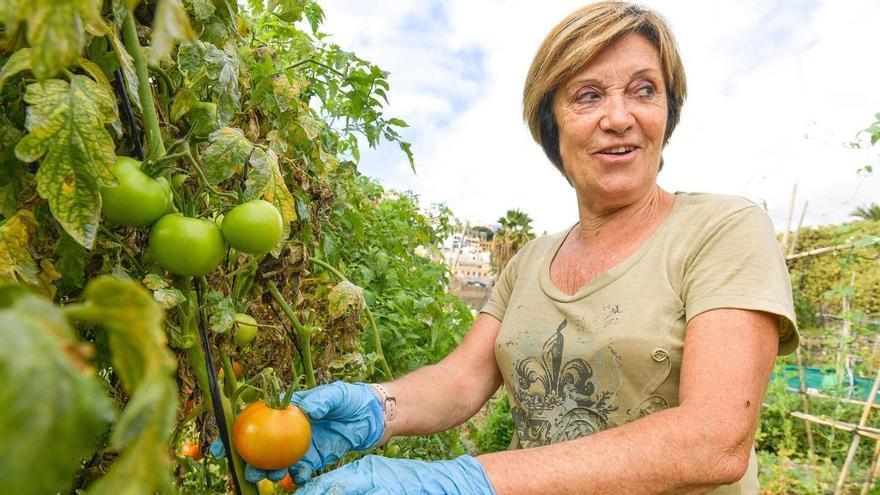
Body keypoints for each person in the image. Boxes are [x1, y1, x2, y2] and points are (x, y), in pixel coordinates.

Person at [248, 2, 799, 493]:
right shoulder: (531, 261)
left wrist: (469, 479)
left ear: (668, 113)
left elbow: (714, 439)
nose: (619, 117)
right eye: (588, 96)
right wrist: (375, 407)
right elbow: (461, 383)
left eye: (644, 90)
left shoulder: (723, 230)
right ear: (552, 127)